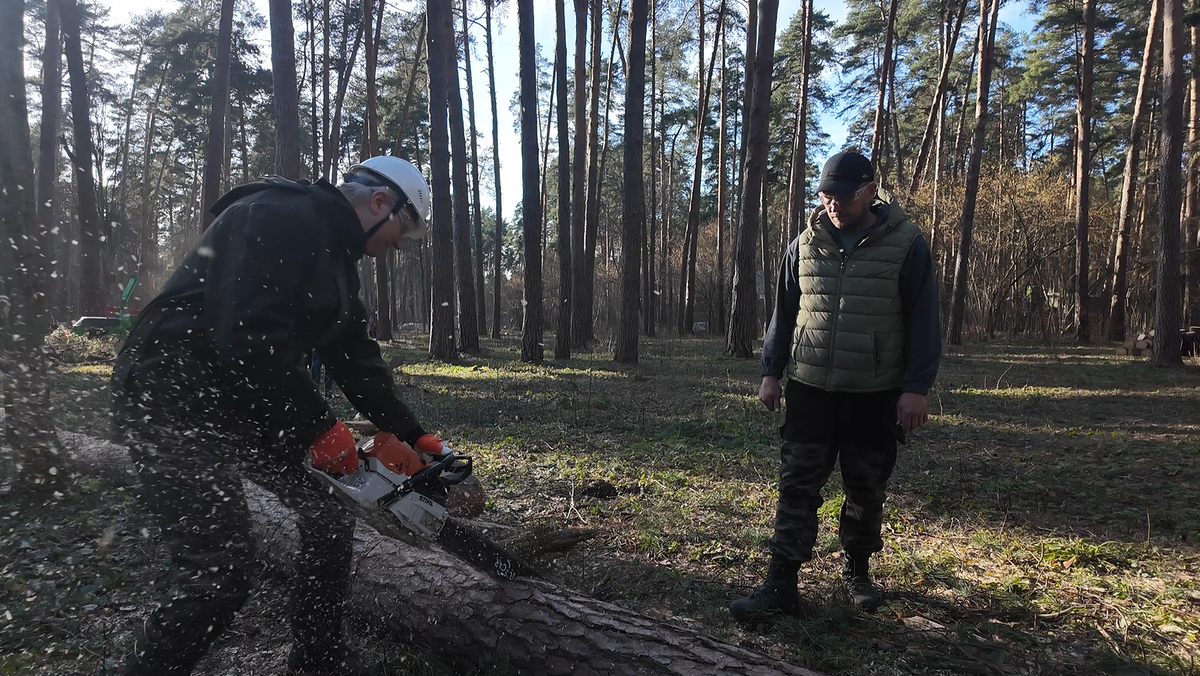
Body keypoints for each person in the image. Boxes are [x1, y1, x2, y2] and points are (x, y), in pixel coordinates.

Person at [112, 156, 445, 675]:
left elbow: (354, 356)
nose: (399, 243)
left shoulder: (336, 260)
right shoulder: (278, 217)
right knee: (218, 573)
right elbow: (245, 335)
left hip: (238, 398)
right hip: (169, 395)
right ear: (381, 202)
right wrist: (318, 426)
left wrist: (412, 434)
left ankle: (317, 660)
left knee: (328, 519)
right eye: (404, 227)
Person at [730, 150, 941, 623]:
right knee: (797, 485)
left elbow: (924, 319)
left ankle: (857, 571)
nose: (833, 204)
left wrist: (917, 387)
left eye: (843, 196)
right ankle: (781, 581)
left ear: (869, 191)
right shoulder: (804, 244)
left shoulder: (906, 244)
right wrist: (770, 372)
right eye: (825, 195)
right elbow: (784, 315)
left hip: (874, 393)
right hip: (810, 390)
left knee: (866, 489)